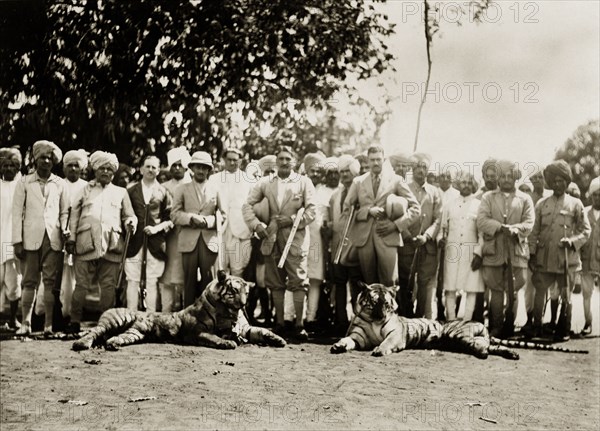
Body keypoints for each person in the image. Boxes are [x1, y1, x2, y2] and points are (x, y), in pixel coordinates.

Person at [242, 145, 316, 340]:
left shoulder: (304, 183)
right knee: (275, 283)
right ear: (276, 161)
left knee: (299, 281)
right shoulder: (266, 183)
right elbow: (247, 205)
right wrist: (257, 226)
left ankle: (299, 325)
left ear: (294, 161)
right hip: (271, 239)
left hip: (295, 240)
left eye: (287, 159)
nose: (284, 162)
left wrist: (292, 220)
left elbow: (311, 212)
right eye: (280, 159)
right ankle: (280, 323)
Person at [66, 151, 137, 333]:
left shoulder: (121, 193)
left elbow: (130, 215)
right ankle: (74, 321)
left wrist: (131, 223)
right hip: (85, 243)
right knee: (81, 285)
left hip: (112, 245)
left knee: (108, 287)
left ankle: (106, 324)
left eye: (109, 169)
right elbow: (74, 216)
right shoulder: (85, 190)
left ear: (114, 172)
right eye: (101, 168)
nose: (105, 171)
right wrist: (72, 239)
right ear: (95, 170)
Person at [344, 145, 421, 293]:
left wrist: (396, 225)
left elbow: (415, 208)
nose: (375, 163)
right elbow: (347, 210)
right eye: (372, 160)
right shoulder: (358, 182)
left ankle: (390, 315)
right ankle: (372, 315)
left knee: (389, 282)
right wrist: (367, 211)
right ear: (367, 160)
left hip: (388, 236)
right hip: (364, 239)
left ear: (384, 159)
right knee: (369, 283)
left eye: (379, 159)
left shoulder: (396, 180)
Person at [528, 161, 591, 341]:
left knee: (565, 295)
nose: (557, 184)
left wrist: (572, 242)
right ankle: (537, 327)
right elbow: (534, 232)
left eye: (561, 180)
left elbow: (585, 231)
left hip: (566, 260)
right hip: (544, 259)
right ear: (549, 182)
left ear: (566, 181)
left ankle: (563, 328)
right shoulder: (541, 204)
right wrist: (532, 254)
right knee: (540, 292)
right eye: (553, 181)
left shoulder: (576, 204)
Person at [13, 141, 69, 335]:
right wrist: (17, 241)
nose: (46, 161)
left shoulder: (60, 183)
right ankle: (25, 324)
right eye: (42, 157)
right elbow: (17, 212)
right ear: (35, 159)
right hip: (30, 237)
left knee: (50, 283)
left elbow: (64, 212)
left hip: (52, 238)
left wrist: (64, 230)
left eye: (49, 158)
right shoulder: (24, 182)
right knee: (29, 281)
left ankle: (48, 325)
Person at [476, 159, 535, 338]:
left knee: (514, 289)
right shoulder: (488, 197)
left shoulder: (525, 199)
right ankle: (496, 327)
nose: (507, 180)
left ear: (516, 178)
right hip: (494, 251)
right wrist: (500, 227)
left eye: (511, 176)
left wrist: (516, 229)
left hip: (516, 252)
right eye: (503, 176)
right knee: (495, 289)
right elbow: (481, 220)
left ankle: (510, 325)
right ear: (498, 179)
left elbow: (529, 222)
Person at [171, 151, 222, 307]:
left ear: (209, 170)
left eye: (204, 168)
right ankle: (187, 321)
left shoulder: (216, 189)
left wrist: (207, 221)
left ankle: (209, 318)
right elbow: (174, 214)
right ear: (192, 168)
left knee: (210, 282)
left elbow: (222, 215)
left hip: (209, 241)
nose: (201, 171)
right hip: (188, 240)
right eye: (198, 167)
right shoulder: (182, 189)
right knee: (189, 282)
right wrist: (190, 218)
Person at [125, 155, 173, 311]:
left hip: (155, 244)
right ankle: (130, 317)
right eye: (148, 166)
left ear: (158, 170)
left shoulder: (164, 192)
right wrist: (129, 223)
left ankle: (150, 319)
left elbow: (171, 220)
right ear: (141, 169)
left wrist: (156, 229)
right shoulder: (131, 191)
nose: (150, 170)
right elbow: (124, 214)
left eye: (154, 167)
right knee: (132, 281)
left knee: (152, 281)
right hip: (134, 244)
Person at [398, 152, 442, 318]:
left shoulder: (434, 192)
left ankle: (420, 319)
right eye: (417, 167)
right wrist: (407, 234)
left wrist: (427, 236)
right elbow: (397, 214)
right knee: (404, 281)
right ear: (412, 169)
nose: (420, 170)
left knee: (424, 282)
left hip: (426, 246)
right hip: (407, 244)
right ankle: (405, 316)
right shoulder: (403, 189)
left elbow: (438, 219)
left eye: (424, 167)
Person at [437, 172, 484, 321]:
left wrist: (479, 253)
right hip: (452, 251)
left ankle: (467, 322)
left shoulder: (479, 205)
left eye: (470, 183)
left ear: (474, 186)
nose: (466, 186)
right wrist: (440, 240)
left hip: (471, 252)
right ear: (458, 184)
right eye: (463, 182)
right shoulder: (449, 205)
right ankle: (451, 320)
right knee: (450, 288)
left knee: (471, 288)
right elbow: (442, 228)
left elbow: (482, 234)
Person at [324, 155, 363, 333]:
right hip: (338, 246)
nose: (345, 175)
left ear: (355, 172)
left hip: (355, 246)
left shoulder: (361, 193)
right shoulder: (335, 195)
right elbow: (334, 220)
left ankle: (357, 323)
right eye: (342, 171)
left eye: (348, 171)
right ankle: (340, 321)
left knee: (356, 284)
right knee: (339, 283)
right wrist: (328, 227)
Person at [209, 147, 253, 277]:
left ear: (240, 161)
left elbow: (252, 205)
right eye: (229, 160)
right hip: (219, 230)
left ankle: (235, 297)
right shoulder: (214, 179)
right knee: (219, 269)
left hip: (239, 231)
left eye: (235, 160)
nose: (232, 163)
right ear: (223, 160)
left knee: (237, 270)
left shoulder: (248, 180)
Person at [158, 146, 192, 311]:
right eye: (173, 165)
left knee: (187, 276)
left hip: (188, 235)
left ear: (186, 166)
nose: (177, 168)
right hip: (169, 238)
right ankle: (166, 312)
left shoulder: (192, 186)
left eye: (180, 165)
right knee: (167, 274)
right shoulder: (162, 187)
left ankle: (185, 313)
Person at [60, 149, 89, 320]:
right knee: (57, 274)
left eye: (76, 166)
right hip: (59, 234)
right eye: (69, 165)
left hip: (78, 235)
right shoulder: (58, 184)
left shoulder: (86, 187)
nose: (72, 169)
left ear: (81, 169)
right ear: (64, 168)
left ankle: (70, 312)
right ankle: (45, 312)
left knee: (74, 275)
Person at [303, 152, 327, 332]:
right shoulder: (300, 186)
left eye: (319, 170)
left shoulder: (324, 189)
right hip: (301, 236)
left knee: (315, 279)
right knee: (298, 277)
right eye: (313, 170)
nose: (316, 174)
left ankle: (311, 318)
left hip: (318, 239)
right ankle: (294, 318)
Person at [0, 148, 23, 330]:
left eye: (12, 166)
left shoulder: (22, 186)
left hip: (11, 240)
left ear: (18, 168)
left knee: (13, 279)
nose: (8, 168)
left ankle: (13, 318)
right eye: (5, 165)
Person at [580, 176, 600, 335]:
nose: (597, 197)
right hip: (587, 259)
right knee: (587, 293)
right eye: (595, 194)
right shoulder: (584, 212)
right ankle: (588, 322)